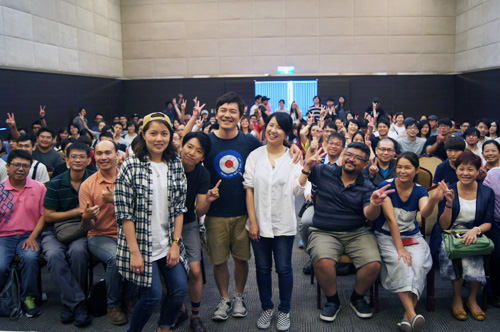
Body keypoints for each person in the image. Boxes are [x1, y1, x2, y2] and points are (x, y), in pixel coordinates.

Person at [203, 92, 301, 322]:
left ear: (241, 115)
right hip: (216, 212)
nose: (227, 115)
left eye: (233, 111)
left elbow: (275, 147)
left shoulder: (250, 142)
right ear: (216, 112)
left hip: (243, 214)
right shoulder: (206, 140)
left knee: (244, 260)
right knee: (219, 261)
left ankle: (241, 297)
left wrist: (292, 146)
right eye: (223, 110)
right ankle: (224, 298)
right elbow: (187, 150)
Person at [299, 142, 393, 322]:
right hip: (324, 231)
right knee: (322, 262)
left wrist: (375, 203)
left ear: (366, 165)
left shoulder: (367, 186)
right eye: (349, 154)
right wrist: (307, 164)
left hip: (356, 232)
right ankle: (332, 301)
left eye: (358, 158)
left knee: (373, 264)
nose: (351, 159)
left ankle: (357, 297)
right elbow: (298, 183)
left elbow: (370, 216)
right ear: (343, 155)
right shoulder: (323, 171)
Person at [114, 112, 188, 332]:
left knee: (178, 289)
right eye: (153, 133)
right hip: (140, 245)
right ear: (142, 135)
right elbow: (124, 214)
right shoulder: (130, 166)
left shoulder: (175, 164)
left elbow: (179, 208)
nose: (159, 139)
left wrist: (175, 244)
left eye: (164, 133)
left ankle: (164, 328)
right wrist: (135, 252)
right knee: (152, 296)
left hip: (167, 242)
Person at [244, 113, 305, 331]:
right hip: (258, 223)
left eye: (279, 127)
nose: (273, 130)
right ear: (265, 127)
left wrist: (306, 169)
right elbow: (249, 189)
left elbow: (297, 189)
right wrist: (253, 222)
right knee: (262, 268)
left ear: (286, 132)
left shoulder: (293, 157)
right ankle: (267, 308)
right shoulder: (254, 156)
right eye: (271, 125)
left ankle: (284, 310)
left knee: (284, 268)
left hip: (283, 223)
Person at [374, 152, 445, 332]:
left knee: (420, 263)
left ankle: (407, 316)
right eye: (399, 167)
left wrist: (434, 200)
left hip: (412, 235)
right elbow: (391, 221)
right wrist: (400, 248)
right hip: (387, 235)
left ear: (417, 170)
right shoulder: (386, 186)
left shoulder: (420, 190)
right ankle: (413, 315)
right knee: (401, 263)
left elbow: (425, 213)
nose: (402, 171)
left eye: (407, 167)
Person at [430, 151, 494, 322]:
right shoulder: (449, 190)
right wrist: (449, 204)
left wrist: (476, 230)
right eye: (461, 169)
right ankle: (457, 298)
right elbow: (444, 225)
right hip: (450, 232)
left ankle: (472, 298)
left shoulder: (487, 192)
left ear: (478, 171)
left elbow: (488, 222)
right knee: (457, 253)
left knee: (476, 251)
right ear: (456, 170)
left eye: (470, 169)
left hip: (475, 231)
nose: (466, 173)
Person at [79, 140, 137, 326]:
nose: (104, 157)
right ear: (94, 156)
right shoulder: (88, 185)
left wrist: (116, 200)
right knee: (115, 257)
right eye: (99, 153)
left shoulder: (128, 178)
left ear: (117, 155)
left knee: (135, 252)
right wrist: (86, 217)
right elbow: (87, 227)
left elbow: (141, 211)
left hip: (128, 233)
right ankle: (113, 304)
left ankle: (130, 299)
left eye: (108, 152)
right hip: (100, 235)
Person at [42, 142, 95, 327]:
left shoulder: (94, 180)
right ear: (66, 160)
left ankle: (69, 302)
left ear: (89, 160)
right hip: (54, 231)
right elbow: (48, 215)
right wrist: (77, 211)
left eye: (82, 157)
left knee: (78, 252)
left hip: (80, 229)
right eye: (74, 156)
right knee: (54, 255)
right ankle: (77, 302)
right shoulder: (57, 182)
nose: (78, 160)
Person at [177, 131, 220, 332]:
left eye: (199, 151)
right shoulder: (170, 167)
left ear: (203, 157)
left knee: (195, 270)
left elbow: (199, 211)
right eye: (189, 147)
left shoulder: (203, 174)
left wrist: (209, 201)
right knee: (166, 268)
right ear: (182, 146)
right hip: (163, 225)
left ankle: (195, 316)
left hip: (187, 223)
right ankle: (178, 308)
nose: (192, 153)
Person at [0, 150, 46, 318]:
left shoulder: (38, 187)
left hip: (29, 235)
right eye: (16, 165)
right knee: (0, 265)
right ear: (7, 167)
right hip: (3, 237)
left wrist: (33, 237)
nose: (21, 169)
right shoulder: (0, 189)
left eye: (25, 166)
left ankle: (29, 298)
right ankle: (4, 298)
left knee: (30, 258)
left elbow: (44, 215)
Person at [483, 165, 500, 307]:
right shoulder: (494, 174)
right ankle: (495, 292)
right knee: (497, 253)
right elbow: (483, 196)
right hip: (495, 223)